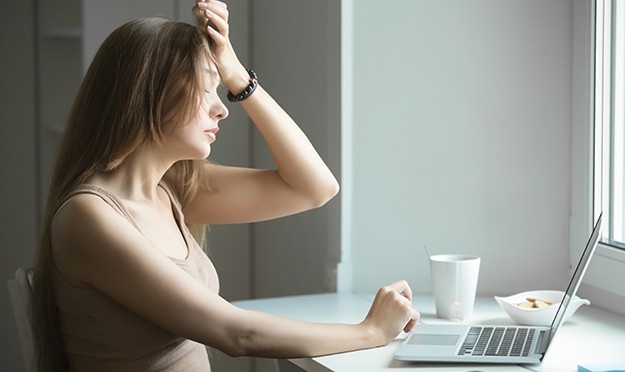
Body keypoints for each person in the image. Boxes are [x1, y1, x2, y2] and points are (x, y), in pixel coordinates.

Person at [31, 1, 421, 371]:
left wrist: (235, 73)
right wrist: (369, 331)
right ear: (146, 94)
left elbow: (315, 188)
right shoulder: (88, 217)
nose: (220, 108)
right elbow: (237, 334)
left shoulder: (170, 189)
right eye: (204, 89)